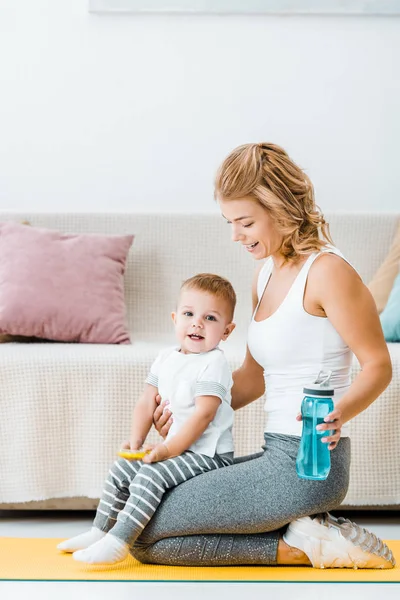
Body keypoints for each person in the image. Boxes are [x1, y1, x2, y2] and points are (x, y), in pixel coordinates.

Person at [131, 142, 394, 570]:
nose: (235, 235)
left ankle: (306, 546)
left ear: (281, 208)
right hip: (275, 454)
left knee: (142, 529)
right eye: (229, 222)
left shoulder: (329, 272)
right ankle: (306, 530)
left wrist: (338, 413)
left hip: (309, 464)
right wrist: (186, 409)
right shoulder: (266, 273)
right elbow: (253, 377)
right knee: (137, 511)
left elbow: (378, 365)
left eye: (246, 222)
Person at [57, 273, 237, 564]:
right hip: (180, 449)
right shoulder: (166, 357)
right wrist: (137, 439)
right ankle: (100, 530)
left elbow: (204, 414)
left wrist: (168, 450)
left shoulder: (214, 362)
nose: (197, 323)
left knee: (152, 473)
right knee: (124, 467)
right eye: (189, 314)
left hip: (208, 454)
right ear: (174, 318)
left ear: (226, 331)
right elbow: (146, 400)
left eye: (210, 318)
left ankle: (119, 541)